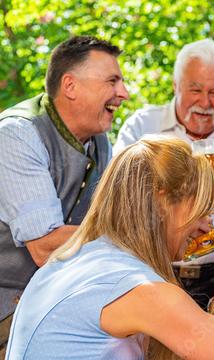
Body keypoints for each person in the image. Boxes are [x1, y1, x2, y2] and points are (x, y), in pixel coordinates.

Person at [5, 136, 214, 360]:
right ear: (162, 201)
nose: (206, 226)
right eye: (200, 209)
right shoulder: (140, 288)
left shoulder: (74, 258)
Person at [114, 39, 214, 309]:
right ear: (175, 86)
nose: (205, 102)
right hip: (156, 273)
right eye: (195, 89)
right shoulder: (142, 127)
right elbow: (121, 208)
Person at [0, 35, 128, 351]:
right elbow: (45, 247)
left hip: (49, 299)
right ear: (70, 86)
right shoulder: (16, 134)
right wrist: (139, 233)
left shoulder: (100, 142)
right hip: (8, 309)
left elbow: (103, 223)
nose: (124, 93)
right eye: (112, 81)